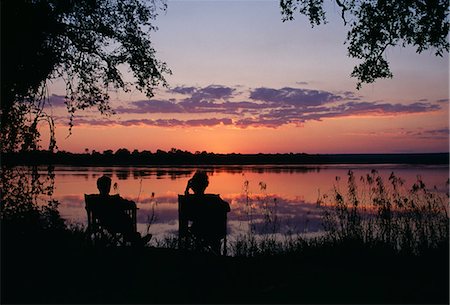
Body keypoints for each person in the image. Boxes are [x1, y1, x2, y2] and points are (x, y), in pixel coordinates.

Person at [94, 175, 151, 246]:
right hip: (116, 224)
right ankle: (135, 240)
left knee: (126, 220)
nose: (108, 187)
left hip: (106, 224)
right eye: (108, 185)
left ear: (98, 187)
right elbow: (130, 204)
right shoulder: (113, 200)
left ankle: (135, 239)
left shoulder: (95, 200)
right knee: (127, 221)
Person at [184, 171, 230, 253]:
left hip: (198, 230)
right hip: (215, 230)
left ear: (192, 186)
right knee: (214, 237)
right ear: (206, 185)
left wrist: (187, 189)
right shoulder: (214, 199)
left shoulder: (189, 200)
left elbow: (186, 214)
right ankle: (217, 255)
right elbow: (227, 208)